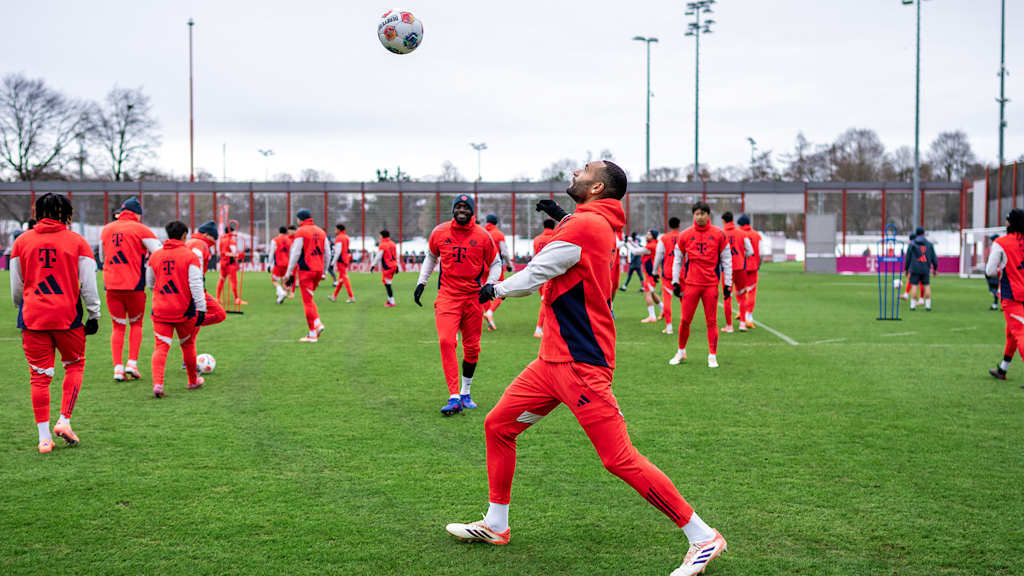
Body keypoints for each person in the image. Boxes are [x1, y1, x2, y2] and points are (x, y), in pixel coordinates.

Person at [447, 161, 727, 576]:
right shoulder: (595, 224)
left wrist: (495, 289)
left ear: (597, 187)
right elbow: (576, 245)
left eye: (585, 170)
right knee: (499, 426)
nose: (576, 171)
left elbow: (537, 273)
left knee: (618, 458)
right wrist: (563, 216)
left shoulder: (586, 226)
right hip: (550, 362)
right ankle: (496, 524)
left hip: (580, 364)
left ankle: (703, 537)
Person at [10, 193, 101, 453]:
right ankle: (64, 420)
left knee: (39, 377)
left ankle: (44, 439)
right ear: (67, 214)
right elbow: (89, 284)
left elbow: (16, 285)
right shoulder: (77, 242)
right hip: (67, 317)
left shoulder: (21, 241)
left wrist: (23, 305)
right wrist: (93, 314)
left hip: (33, 317)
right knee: (75, 365)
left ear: (38, 212)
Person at [414, 194, 500, 415]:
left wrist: (490, 285)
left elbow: (496, 262)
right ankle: (454, 396)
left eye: (466, 207)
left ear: (472, 211)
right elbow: (431, 256)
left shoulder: (483, 236)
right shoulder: (439, 232)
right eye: (458, 206)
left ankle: (465, 391)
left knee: (472, 348)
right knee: (446, 340)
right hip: (448, 297)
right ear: (453, 209)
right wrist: (422, 282)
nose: (462, 210)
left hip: (473, 298)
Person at [99, 196, 162, 381]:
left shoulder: (106, 229)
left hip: (112, 285)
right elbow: (159, 253)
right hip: (134, 285)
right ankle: (132, 363)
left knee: (118, 327)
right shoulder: (141, 229)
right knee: (136, 324)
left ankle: (117, 368)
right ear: (138, 214)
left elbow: (102, 257)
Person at [147, 221, 207, 397]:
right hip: (183, 310)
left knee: (161, 347)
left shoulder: (155, 255)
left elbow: (150, 282)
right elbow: (195, 284)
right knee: (187, 345)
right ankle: (192, 381)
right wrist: (201, 307)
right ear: (184, 235)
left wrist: (160, 294)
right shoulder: (190, 256)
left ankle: (158, 384)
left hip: (161, 309)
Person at [670, 202, 732, 368]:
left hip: (710, 285)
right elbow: (677, 259)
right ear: (693, 215)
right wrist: (675, 281)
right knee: (685, 320)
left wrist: (728, 284)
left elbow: (727, 260)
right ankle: (681, 351)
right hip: (691, 284)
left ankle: (712, 355)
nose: (700, 217)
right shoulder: (685, 235)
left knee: (711, 321)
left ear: (708, 215)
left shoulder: (719, 234)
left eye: (703, 213)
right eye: (697, 214)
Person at [987, 209, 1024, 382]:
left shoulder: (1001, 242)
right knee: (1011, 334)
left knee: (1020, 334)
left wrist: (1002, 270)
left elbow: (990, 271)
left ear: (1011, 222)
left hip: (1013, 296)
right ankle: (1002, 370)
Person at [284, 209, 328, 342]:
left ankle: (313, 332)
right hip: (318, 270)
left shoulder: (301, 231)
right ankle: (316, 324)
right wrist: (325, 271)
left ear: (300, 219)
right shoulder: (321, 231)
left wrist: (288, 272)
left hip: (306, 270)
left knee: (307, 302)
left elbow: (296, 253)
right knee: (310, 299)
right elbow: (327, 253)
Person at [185, 220, 227, 348]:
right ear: (207, 235)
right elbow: (195, 268)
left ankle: (190, 322)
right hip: (194, 289)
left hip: (186, 288)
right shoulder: (200, 244)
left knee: (190, 337)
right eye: (214, 238)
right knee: (219, 314)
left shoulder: (190, 242)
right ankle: (189, 322)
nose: (214, 242)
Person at [720, 212, 753, 333]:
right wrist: (741, 256)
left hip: (726, 269)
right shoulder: (742, 233)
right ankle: (743, 324)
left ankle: (729, 326)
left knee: (727, 297)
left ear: (723, 221)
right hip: (740, 268)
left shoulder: (721, 234)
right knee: (742, 295)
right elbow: (750, 251)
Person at [482, 214, 514, 331]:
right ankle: (490, 312)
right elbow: (504, 252)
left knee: (485, 291)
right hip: (495, 266)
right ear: (496, 223)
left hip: (482, 266)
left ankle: (489, 317)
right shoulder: (499, 234)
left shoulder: (482, 232)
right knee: (502, 291)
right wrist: (509, 265)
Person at [653, 217, 682, 334]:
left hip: (668, 273)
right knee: (684, 301)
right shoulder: (684, 237)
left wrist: (654, 271)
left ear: (669, 226)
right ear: (679, 225)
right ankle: (685, 325)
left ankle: (669, 327)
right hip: (682, 273)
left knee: (667, 300)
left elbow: (658, 256)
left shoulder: (664, 238)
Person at [736, 214, 763, 327]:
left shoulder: (738, 233)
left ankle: (741, 310)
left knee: (739, 291)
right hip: (753, 267)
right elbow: (761, 252)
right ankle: (749, 316)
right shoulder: (757, 235)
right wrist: (759, 264)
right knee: (751, 291)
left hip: (740, 266)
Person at [532, 219, 557, 338]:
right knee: (546, 301)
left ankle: (547, 325)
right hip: (550, 273)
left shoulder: (537, 239)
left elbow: (534, 256)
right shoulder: (556, 237)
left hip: (538, 273)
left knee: (545, 300)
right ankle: (538, 329)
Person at [905, 226, 937, 311]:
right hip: (925, 268)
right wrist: (935, 269)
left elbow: (908, 258)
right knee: (927, 286)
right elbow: (934, 258)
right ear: (923, 233)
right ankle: (928, 306)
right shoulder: (929, 244)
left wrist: (906, 269)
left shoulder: (912, 244)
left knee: (914, 286)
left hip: (914, 268)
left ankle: (912, 306)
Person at [216, 222, 247, 306]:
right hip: (230, 264)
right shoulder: (231, 241)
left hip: (222, 263)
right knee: (234, 281)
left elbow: (221, 252)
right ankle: (237, 299)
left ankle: (218, 298)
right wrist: (240, 255)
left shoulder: (221, 240)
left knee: (221, 280)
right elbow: (234, 253)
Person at [639, 229, 663, 323]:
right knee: (651, 293)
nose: (647, 236)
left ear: (653, 236)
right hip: (652, 273)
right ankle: (663, 309)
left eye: (649, 234)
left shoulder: (652, 245)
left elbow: (637, 251)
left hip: (651, 274)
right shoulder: (653, 244)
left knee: (647, 293)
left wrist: (627, 244)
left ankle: (652, 316)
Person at [370, 230, 399, 307]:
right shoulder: (393, 243)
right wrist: (397, 266)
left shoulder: (382, 245)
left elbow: (378, 256)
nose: (380, 237)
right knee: (388, 283)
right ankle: (389, 300)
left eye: (380, 235)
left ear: (382, 235)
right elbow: (396, 255)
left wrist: (373, 265)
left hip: (387, 267)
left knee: (387, 284)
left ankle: (392, 301)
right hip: (394, 266)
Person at [328, 223, 355, 303]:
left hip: (341, 260)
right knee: (341, 279)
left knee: (344, 278)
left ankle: (351, 297)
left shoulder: (339, 238)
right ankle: (334, 296)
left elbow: (338, 251)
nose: (335, 231)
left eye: (335, 229)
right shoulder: (346, 237)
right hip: (345, 259)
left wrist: (332, 262)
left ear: (338, 229)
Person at [270, 225, 292, 304]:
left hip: (278, 263)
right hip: (287, 264)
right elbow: (291, 253)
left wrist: (269, 264)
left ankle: (281, 293)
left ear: (279, 231)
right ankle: (280, 299)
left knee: (274, 280)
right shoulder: (289, 240)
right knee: (284, 281)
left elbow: (271, 253)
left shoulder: (275, 240)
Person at [986, 233, 1002, 311]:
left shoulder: (997, 247)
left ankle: (999, 304)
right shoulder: (996, 246)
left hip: (995, 271)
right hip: (997, 271)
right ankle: (996, 305)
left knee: (994, 289)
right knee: (996, 289)